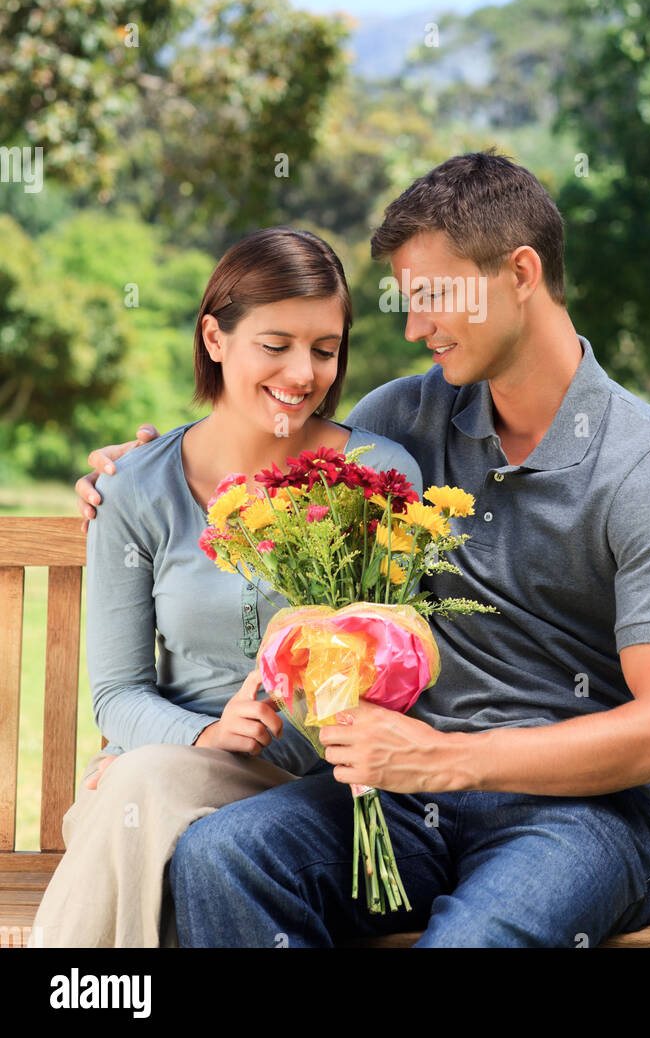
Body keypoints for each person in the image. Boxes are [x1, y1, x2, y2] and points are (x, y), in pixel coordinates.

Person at [75, 151, 650, 949]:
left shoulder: (643, 468)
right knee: (223, 857)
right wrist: (131, 466)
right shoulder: (406, 421)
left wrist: (451, 760)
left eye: (432, 299)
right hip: (402, 803)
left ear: (519, 273)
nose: (415, 329)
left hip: (586, 818)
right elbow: (256, 433)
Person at [31, 226, 424, 949]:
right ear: (215, 337)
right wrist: (201, 736)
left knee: (145, 803)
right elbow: (117, 693)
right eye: (275, 345)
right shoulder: (136, 489)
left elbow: (403, 662)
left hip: (311, 797)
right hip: (158, 775)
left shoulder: (376, 477)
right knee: (144, 797)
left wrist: (308, 687)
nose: (303, 373)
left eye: (325, 348)